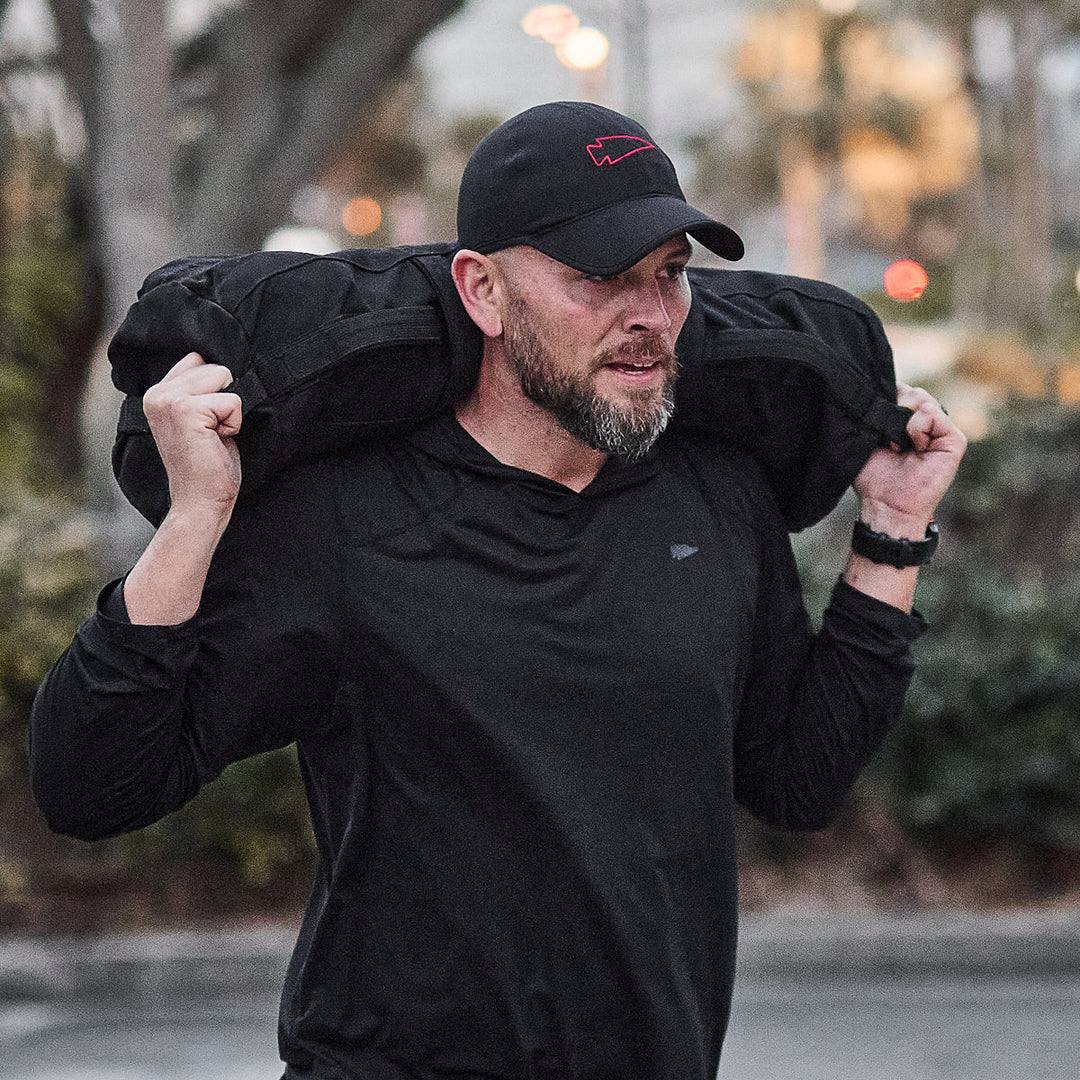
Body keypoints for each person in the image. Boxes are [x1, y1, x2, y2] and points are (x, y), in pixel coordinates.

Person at [30, 102, 965, 1079]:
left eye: (670, 273)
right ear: (482, 290)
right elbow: (91, 785)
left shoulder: (716, 497)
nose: (650, 315)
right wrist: (195, 517)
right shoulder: (345, 521)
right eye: (601, 277)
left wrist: (891, 533)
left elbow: (797, 782)